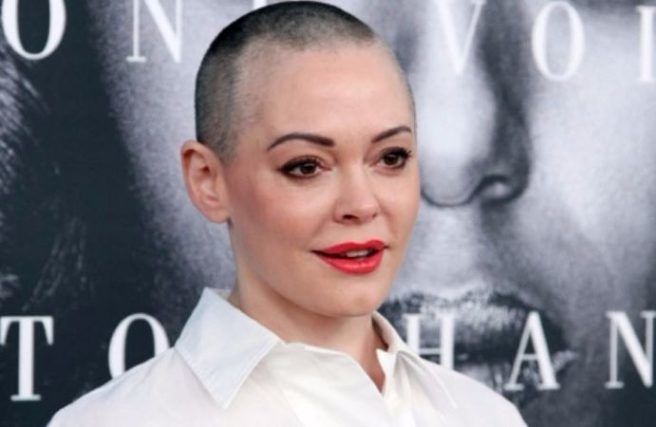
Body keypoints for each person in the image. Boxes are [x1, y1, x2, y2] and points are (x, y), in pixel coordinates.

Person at [48, 2, 525, 426]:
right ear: (208, 180)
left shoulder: (485, 416)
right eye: (306, 166)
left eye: (391, 158)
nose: (362, 205)